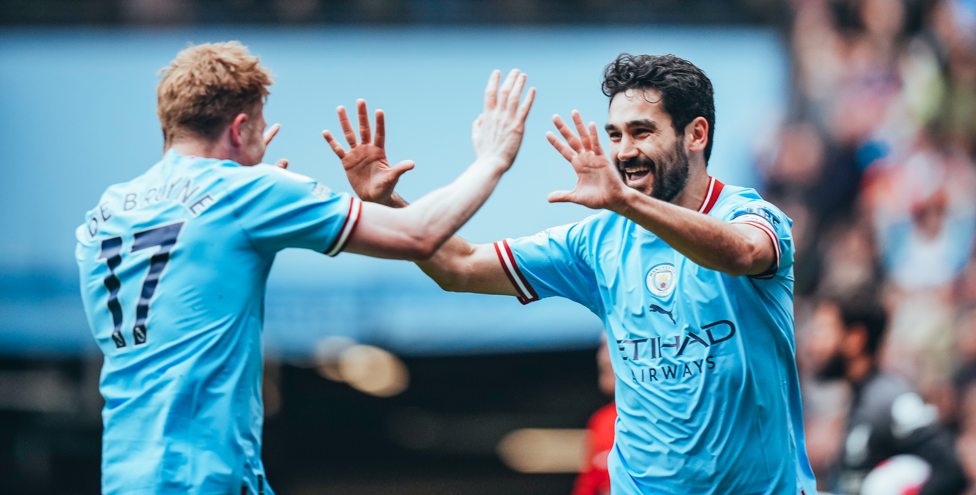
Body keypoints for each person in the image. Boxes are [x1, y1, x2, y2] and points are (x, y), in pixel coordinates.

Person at [326, 52, 817, 493]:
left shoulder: (749, 214)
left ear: (696, 134)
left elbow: (741, 254)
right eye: (615, 135)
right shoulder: (595, 241)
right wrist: (388, 205)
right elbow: (459, 267)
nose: (624, 151)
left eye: (642, 132)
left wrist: (624, 202)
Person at [75, 41, 535, 494]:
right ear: (239, 129)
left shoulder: (105, 213)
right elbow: (417, 235)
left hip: (127, 474)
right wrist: (493, 159)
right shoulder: (244, 191)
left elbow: (191, 280)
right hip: (201, 475)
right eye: (259, 124)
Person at [808, 292, 968, 495]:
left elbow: (950, 471)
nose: (813, 345)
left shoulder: (893, 400)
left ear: (855, 339)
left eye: (822, 331)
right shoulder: (859, 399)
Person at [571, 336, 616, 495]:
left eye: (615, 345)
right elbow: (587, 485)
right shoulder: (602, 420)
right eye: (603, 346)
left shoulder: (663, 418)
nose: (603, 358)